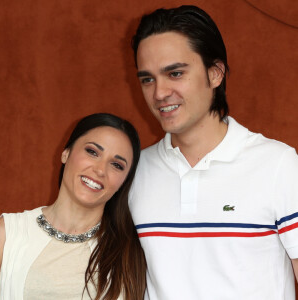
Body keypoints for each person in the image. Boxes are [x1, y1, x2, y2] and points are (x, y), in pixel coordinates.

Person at [129, 5, 298, 300]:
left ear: (215, 73)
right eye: (148, 79)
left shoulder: (278, 165)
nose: (159, 93)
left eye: (175, 73)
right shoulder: (134, 171)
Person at [0, 113, 146, 300]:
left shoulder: (133, 251)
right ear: (65, 153)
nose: (100, 170)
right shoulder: (6, 235)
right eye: (92, 152)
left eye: (116, 165)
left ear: (124, 182)